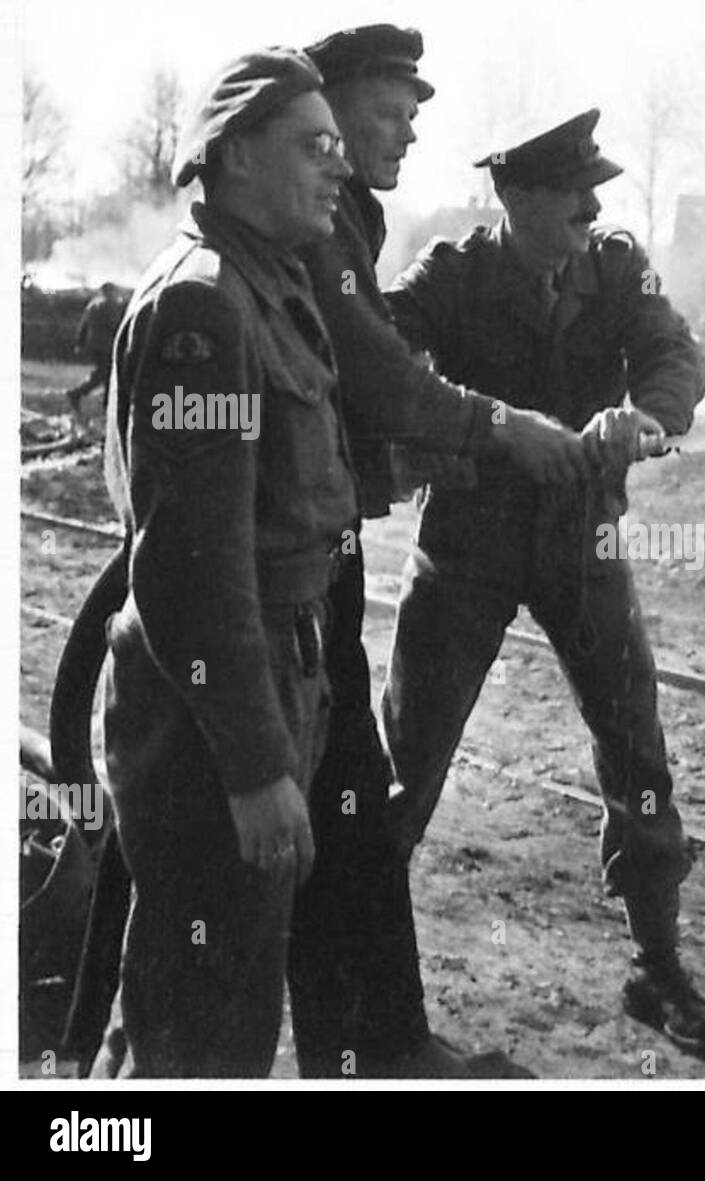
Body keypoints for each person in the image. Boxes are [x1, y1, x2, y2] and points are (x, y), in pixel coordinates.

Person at [381, 110, 705, 1055]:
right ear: (516, 197)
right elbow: (378, 352)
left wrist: (643, 419)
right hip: (468, 546)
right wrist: (466, 428)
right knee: (405, 760)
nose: (592, 206)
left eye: (594, 190)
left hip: (584, 541)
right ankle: (359, 973)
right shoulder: (450, 275)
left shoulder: (616, 267)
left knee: (637, 745)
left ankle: (656, 968)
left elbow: (675, 358)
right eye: (571, 192)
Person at [291, 23, 577, 1078]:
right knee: (337, 813)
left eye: (415, 117)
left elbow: (347, 397)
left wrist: (402, 457)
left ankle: (372, 1045)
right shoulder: (322, 223)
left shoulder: (348, 215)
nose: (408, 135)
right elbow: (371, 369)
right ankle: (372, 1050)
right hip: (294, 572)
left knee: (352, 810)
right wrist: (497, 426)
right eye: (389, 113)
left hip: (324, 554)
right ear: (322, 112)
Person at [98, 47, 356, 1077]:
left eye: (339, 143)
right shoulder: (207, 307)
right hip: (214, 723)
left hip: (266, 684)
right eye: (314, 144)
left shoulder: (267, 285)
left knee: (194, 989)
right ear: (237, 155)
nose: (338, 165)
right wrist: (255, 768)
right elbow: (190, 570)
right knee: (204, 1022)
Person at [66, 282, 127, 414]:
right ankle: (77, 393)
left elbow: (83, 325)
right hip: (106, 345)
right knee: (104, 373)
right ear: (111, 292)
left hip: (93, 344)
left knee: (107, 373)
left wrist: (80, 343)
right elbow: (115, 325)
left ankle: (107, 403)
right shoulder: (110, 305)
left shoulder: (93, 305)